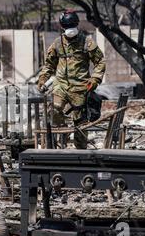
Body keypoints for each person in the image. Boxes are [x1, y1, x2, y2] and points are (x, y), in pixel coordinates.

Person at [37, 10, 106, 149]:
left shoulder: (87, 42)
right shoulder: (57, 44)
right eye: (67, 26)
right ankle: (61, 138)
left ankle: (80, 152)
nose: (70, 30)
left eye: (72, 25)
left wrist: (95, 79)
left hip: (81, 87)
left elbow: (100, 62)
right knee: (55, 110)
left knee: (80, 123)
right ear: (62, 27)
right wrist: (43, 79)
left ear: (77, 24)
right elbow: (49, 65)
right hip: (61, 85)